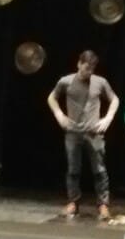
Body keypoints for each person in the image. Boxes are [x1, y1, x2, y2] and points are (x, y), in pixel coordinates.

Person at [46, 50, 119, 220]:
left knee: (99, 170)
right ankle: (73, 203)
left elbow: (114, 99)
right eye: (87, 68)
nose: (89, 72)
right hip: (73, 132)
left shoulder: (100, 82)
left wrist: (108, 117)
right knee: (73, 170)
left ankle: (103, 205)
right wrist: (59, 114)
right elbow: (51, 97)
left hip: (94, 133)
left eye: (92, 68)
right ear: (79, 64)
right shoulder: (66, 81)